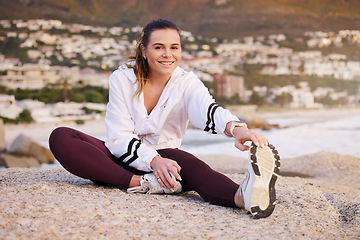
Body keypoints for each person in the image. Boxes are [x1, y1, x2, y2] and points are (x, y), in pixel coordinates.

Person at [49, 19, 280, 219]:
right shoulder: (122, 78)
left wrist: (237, 129)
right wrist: (152, 163)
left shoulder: (186, 82)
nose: (168, 54)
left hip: (167, 163)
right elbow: (118, 136)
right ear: (144, 50)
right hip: (119, 160)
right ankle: (143, 184)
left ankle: (245, 196)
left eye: (174, 47)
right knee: (61, 137)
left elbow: (208, 109)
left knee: (193, 168)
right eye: (159, 47)